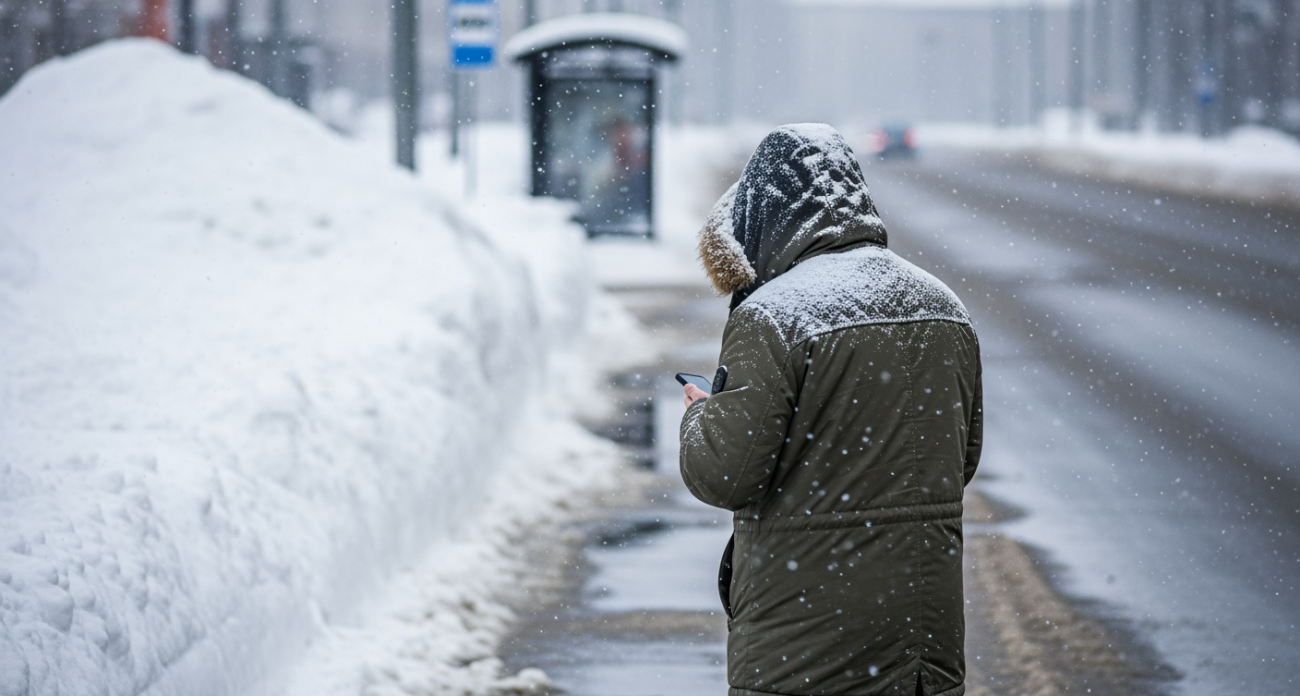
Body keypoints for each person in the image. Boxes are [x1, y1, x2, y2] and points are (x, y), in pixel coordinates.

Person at [679, 124, 982, 696]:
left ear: (766, 212)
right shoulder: (944, 306)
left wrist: (701, 415)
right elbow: (960, 459)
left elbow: (725, 474)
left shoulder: (775, 315)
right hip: (923, 638)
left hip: (806, 644)